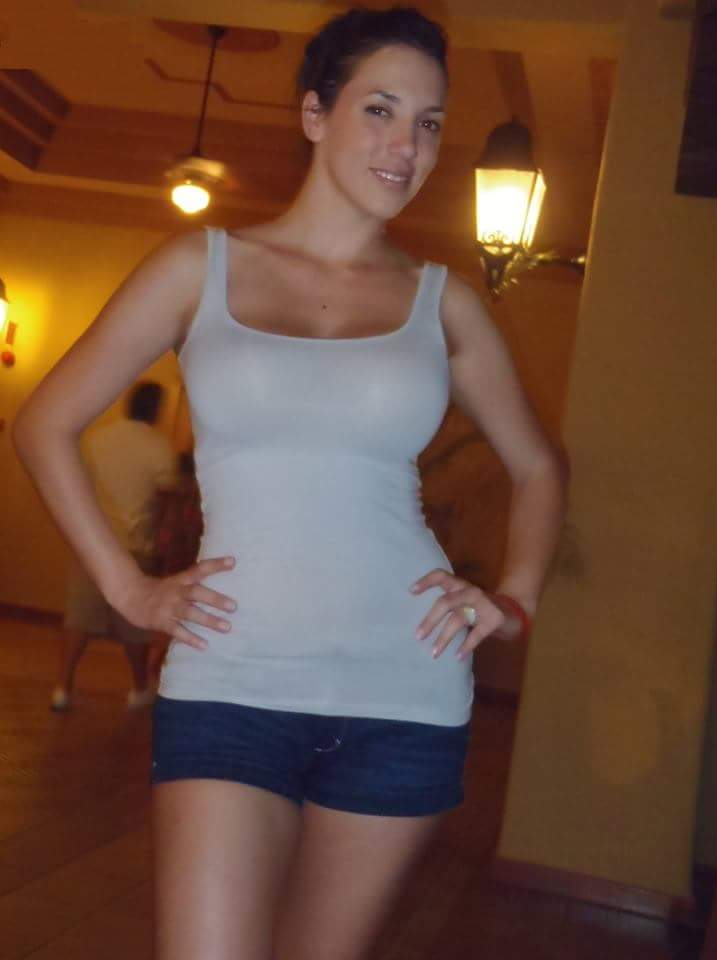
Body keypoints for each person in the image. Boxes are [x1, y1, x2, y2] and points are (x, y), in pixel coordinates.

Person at [13, 7, 568, 959]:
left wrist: (513, 602)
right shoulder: (200, 267)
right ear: (315, 113)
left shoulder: (445, 304)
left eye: (429, 123)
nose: (407, 146)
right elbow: (43, 423)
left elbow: (539, 465)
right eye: (380, 110)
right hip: (232, 680)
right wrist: (128, 589)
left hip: (405, 692)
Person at [50, 380, 177, 711]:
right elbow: (166, 503)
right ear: (157, 408)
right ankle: (139, 688)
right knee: (134, 628)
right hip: (135, 547)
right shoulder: (159, 447)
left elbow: (78, 487)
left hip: (93, 543)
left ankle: (62, 687)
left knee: (79, 619)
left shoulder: (97, 439)